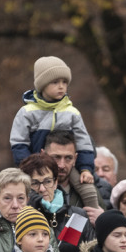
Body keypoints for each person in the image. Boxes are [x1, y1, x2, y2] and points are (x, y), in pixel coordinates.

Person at [10, 56, 98, 209]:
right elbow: (19, 142)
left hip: (64, 166)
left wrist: (85, 168)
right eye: (55, 82)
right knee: (25, 189)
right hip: (34, 166)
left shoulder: (72, 112)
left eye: (64, 82)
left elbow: (84, 143)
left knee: (87, 188)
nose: (61, 87)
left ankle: (95, 214)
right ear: (42, 85)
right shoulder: (27, 112)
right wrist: (28, 165)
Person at [19, 153, 92, 252]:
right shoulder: (19, 217)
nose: (42, 189)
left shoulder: (77, 216)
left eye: (47, 181)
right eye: (35, 183)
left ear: (56, 182)